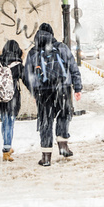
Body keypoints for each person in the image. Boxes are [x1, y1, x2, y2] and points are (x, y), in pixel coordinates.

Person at [25, 23, 82, 166]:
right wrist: (77, 87)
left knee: (45, 122)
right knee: (63, 116)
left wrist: (34, 92)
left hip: (43, 92)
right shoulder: (61, 47)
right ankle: (63, 147)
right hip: (62, 88)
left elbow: (27, 75)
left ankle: (46, 158)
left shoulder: (33, 52)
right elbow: (73, 67)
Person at [0, 40, 27, 162]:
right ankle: (6, 150)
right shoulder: (17, 64)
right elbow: (26, 79)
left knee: (4, 121)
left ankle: (7, 146)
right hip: (12, 98)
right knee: (9, 123)